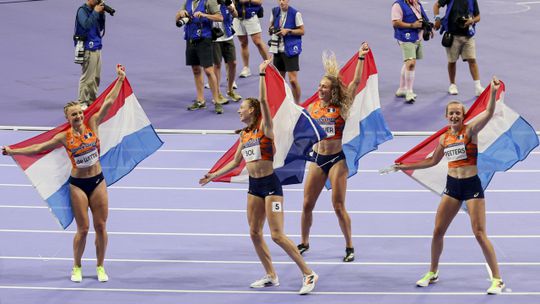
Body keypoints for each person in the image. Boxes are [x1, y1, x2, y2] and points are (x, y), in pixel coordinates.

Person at [199, 60, 318, 295]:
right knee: (254, 232)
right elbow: (235, 163)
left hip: (270, 185)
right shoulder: (244, 135)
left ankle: (308, 273)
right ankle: (271, 275)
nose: (238, 110)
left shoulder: (266, 128)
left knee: (276, 235)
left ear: (251, 110)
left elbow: (264, 101)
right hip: (254, 187)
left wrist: (263, 74)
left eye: (241, 107)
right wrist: (213, 175)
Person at [2, 65, 127, 283]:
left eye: (79, 112)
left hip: (98, 181)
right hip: (78, 184)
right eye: (74, 114)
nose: (78, 116)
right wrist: (14, 150)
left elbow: (108, 103)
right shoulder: (64, 137)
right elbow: (39, 147)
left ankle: (100, 266)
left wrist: (119, 81)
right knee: (84, 228)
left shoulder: (93, 123)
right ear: (67, 118)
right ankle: (76, 266)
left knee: (101, 226)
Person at [392, 77, 504, 295]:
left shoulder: (470, 131)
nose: (454, 115)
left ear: (463, 116)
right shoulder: (444, 139)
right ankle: (433, 272)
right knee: (437, 231)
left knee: (479, 233)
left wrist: (492, 92)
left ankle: (497, 279)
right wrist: (405, 165)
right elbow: (432, 161)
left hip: (471, 186)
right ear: (446, 116)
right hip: (452, 186)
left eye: (458, 113)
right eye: (451, 113)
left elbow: (489, 113)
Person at [297, 43, 370, 262]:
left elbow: (356, 83)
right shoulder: (312, 108)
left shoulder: (342, 107)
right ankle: (304, 241)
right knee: (307, 204)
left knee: (338, 206)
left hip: (337, 159)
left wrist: (360, 58)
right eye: (319, 86)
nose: (320, 89)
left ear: (333, 90)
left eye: (324, 87)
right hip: (318, 158)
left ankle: (349, 246)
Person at [176, 0, 225, 114]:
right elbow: (177, 20)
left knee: (208, 70)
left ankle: (217, 101)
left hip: (204, 39)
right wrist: (180, 14)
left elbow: (220, 17)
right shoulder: (187, 2)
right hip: (190, 39)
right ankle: (200, 100)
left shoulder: (209, 1)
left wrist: (204, 15)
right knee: (196, 70)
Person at [433, 0, 483, 96]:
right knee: (452, 61)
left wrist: (472, 21)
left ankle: (478, 86)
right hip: (453, 35)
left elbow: (478, 17)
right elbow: (436, 5)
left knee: (472, 60)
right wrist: (437, 19)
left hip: (468, 35)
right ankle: (452, 85)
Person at [391, 0, 432, 103]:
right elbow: (395, 22)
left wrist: (429, 28)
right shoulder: (398, 5)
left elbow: (423, 17)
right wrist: (412, 25)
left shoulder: (416, 3)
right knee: (411, 63)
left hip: (417, 37)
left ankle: (401, 88)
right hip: (405, 37)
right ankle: (409, 91)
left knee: (408, 63)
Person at [268, 0, 304, 104]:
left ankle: (297, 104)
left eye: (283, 0)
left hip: (290, 49)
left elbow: (302, 31)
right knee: (280, 80)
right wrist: (272, 30)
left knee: (293, 80)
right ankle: (282, 103)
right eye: (279, 0)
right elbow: (270, 26)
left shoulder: (295, 13)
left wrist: (288, 31)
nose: (281, 2)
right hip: (277, 49)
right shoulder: (274, 11)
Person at [209, 0, 243, 104]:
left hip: (228, 37)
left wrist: (231, 9)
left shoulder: (228, 1)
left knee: (233, 63)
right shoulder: (209, 3)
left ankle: (230, 91)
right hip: (215, 39)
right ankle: (217, 94)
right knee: (217, 65)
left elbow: (236, 14)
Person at [74, 0, 106, 108]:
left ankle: (92, 101)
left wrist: (101, 15)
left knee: (96, 77)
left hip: (97, 46)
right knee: (87, 77)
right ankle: (82, 101)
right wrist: (96, 12)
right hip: (88, 47)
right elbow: (86, 25)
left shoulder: (94, 10)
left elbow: (100, 28)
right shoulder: (82, 11)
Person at [233, 0, 270, 78]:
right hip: (237, 17)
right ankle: (246, 68)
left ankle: (269, 66)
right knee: (243, 43)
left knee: (257, 42)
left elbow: (259, 2)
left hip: (251, 16)